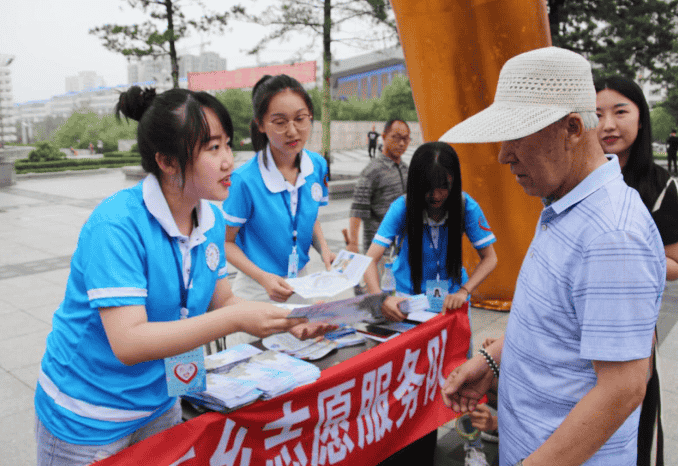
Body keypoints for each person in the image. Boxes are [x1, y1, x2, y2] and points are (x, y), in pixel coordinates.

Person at [34, 86, 328, 466]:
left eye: (226, 145)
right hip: (89, 414)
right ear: (168, 162)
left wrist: (288, 322)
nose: (228, 162)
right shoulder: (117, 225)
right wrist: (236, 318)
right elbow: (129, 341)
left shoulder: (210, 220)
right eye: (212, 148)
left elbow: (223, 300)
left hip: (161, 400)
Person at [440, 47, 665, 466]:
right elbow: (560, 324)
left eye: (517, 137)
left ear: (573, 128)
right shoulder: (563, 207)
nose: (504, 155)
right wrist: (492, 360)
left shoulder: (611, 235)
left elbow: (624, 387)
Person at [363, 142, 498, 466]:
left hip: (451, 312)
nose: (437, 195)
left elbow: (490, 258)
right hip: (408, 312)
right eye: (429, 188)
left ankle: (471, 445)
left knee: (462, 379)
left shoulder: (466, 206)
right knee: (407, 380)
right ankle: (403, 442)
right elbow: (370, 261)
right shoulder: (402, 207)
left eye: (444, 186)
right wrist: (384, 298)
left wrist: (464, 290)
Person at [595, 75, 678, 466]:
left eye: (620, 111)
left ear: (641, 118)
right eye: (596, 114)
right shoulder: (577, 183)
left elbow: (675, 263)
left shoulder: (661, 186)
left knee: (634, 427)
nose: (608, 124)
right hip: (578, 330)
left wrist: (624, 255)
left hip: (634, 333)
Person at [223, 75, 335, 344]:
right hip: (258, 291)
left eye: (300, 118)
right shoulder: (245, 180)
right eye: (280, 122)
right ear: (261, 125)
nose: (293, 131)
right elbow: (225, 242)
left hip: (301, 286)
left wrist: (325, 251)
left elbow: (307, 217)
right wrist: (263, 278)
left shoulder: (317, 166)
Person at [347, 119, 411, 256]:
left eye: (405, 139)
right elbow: (357, 211)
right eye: (396, 137)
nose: (401, 143)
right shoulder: (372, 171)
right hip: (377, 251)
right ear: (383, 137)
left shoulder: (407, 170)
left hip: (402, 250)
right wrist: (353, 244)